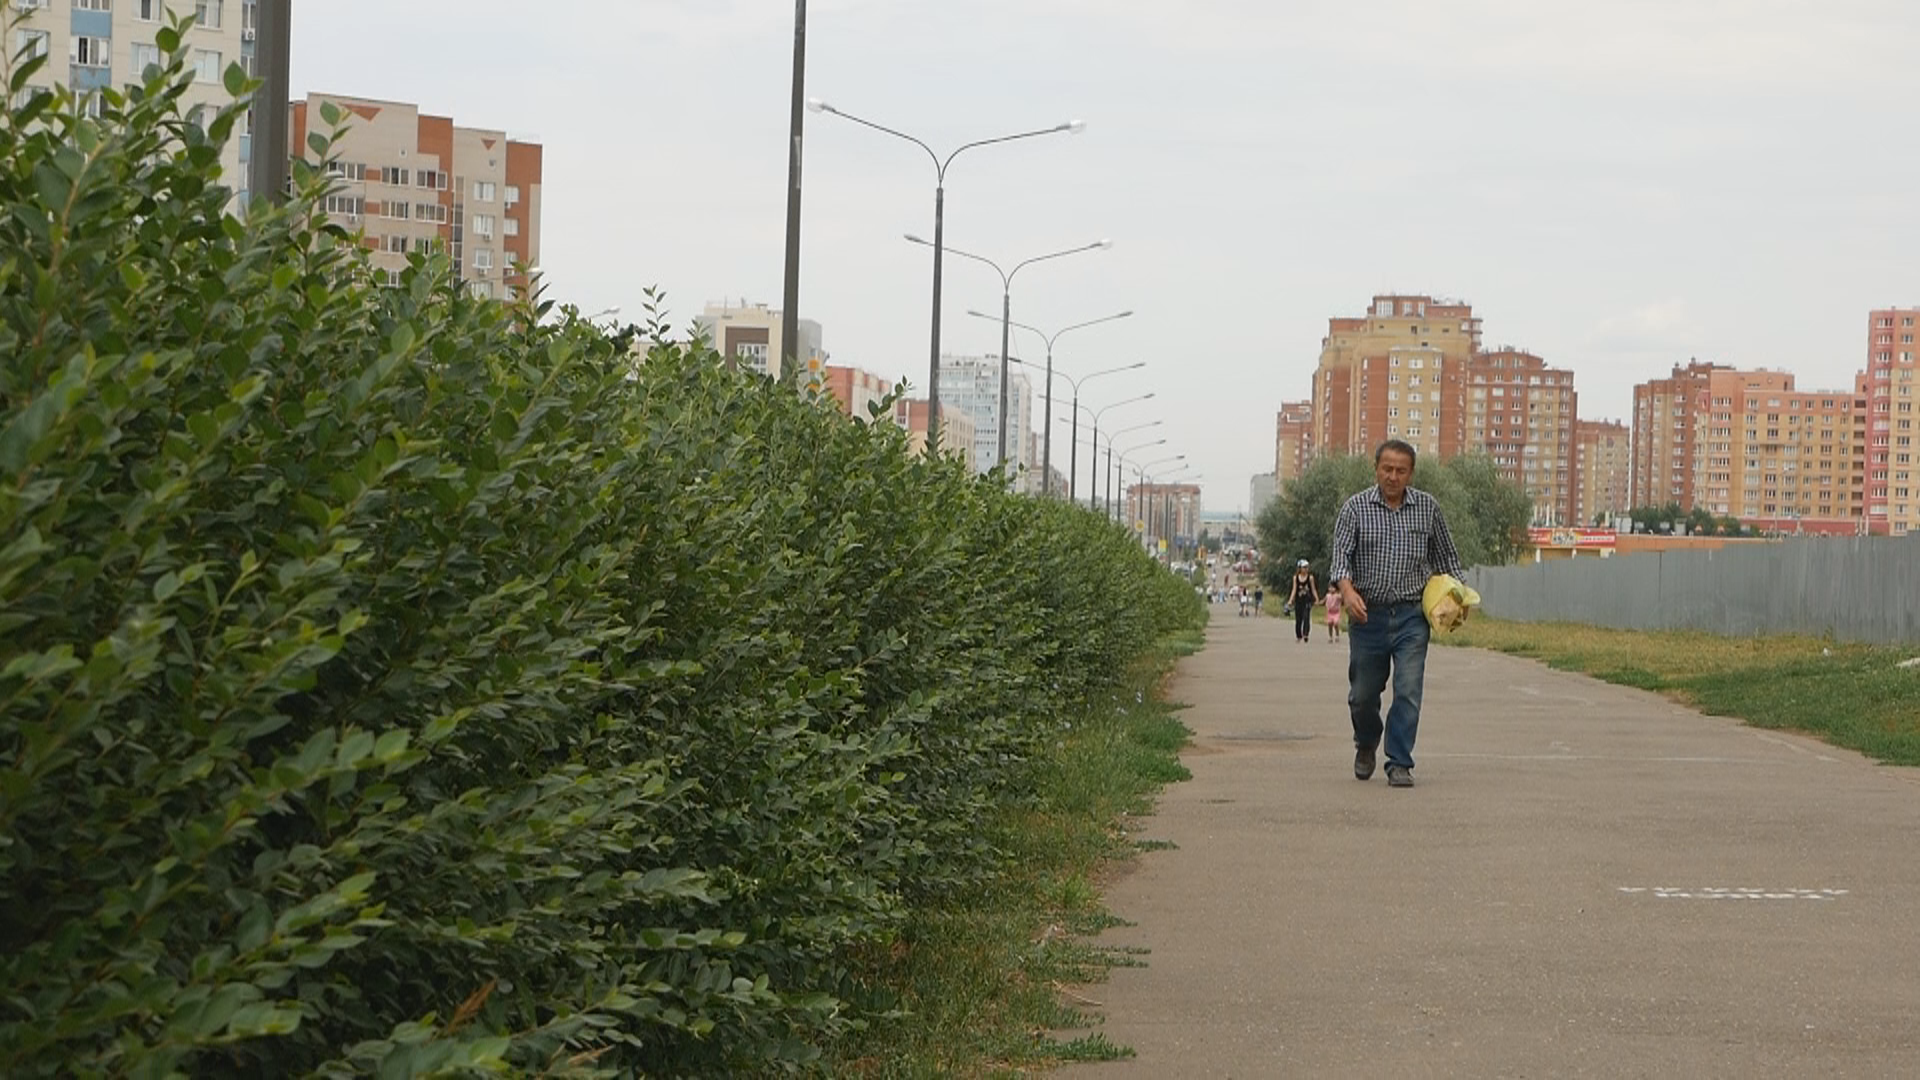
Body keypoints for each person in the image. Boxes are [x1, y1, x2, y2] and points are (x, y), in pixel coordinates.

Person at [1329, 439, 1465, 789]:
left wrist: (1458, 596)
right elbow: (1340, 559)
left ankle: (1399, 762)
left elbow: (1448, 558)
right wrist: (1347, 591)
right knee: (1362, 695)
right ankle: (1367, 741)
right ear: (1376, 469)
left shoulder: (1428, 509)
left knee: (1407, 689)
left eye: (1400, 470)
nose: (1393, 476)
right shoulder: (1355, 508)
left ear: (1411, 473)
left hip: (1410, 618)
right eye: (1387, 469)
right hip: (1367, 617)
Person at [1287, 560, 1319, 644]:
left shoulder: (1310, 578)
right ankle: (1298, 635)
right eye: (1304, 567)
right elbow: (1294, 589)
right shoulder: (1296, 578)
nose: (1306, 569)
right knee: (1298, 619)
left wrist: (1316, 598)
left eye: (1307, 567)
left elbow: (1313, 589)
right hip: (1298, 600)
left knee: (1306, 617)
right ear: (1300, 568)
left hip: (1307, 600)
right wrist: (1291, 600)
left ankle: (1305, 634)